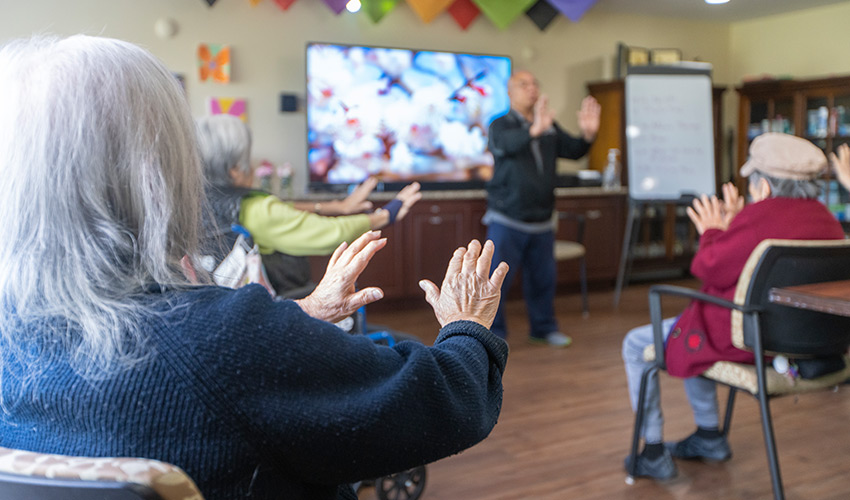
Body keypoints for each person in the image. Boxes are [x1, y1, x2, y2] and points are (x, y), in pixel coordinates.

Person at [0, 34, 511, 500]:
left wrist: (303, 313)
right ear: (158, 176)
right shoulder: (221, 337)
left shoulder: (13, 328)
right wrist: (467, 327)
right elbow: (444, 404)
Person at [621, 132, 846, 480]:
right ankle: (708, 436)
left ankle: (652, 451)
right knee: (695, 324)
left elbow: (708, 267)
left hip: (753, 342)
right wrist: (734, 228)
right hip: (810, 345)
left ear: (765, 186)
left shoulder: (761, 216)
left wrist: (713, 231)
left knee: (639, 343)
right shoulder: (829, 222)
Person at [195, 114, 422, 295]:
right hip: (282, 309)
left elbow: (280, 212)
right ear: (234, 170)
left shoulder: (198, 200)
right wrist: (386, 215)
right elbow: (331, 234)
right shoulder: (255, 210)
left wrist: (337, 207)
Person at [484, 70, 601, 347]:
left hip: (542, 221)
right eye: (524, 84)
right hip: (507, 219)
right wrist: (532, 130)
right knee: (496, 281)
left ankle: (543, 328)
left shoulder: (548, 124)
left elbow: (573, 150)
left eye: (535, 83)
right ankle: (493, 335)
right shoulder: (500, 125)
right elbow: (503, 146)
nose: (532, 88)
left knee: (543, 282)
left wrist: (587, 135)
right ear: (510, 92)